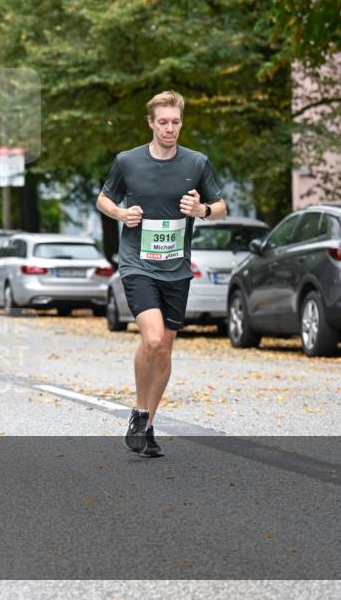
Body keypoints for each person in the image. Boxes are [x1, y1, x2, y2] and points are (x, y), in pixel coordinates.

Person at [96, 90, 226, 458]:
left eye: (176, 122)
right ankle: (139, 411)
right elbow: (103, 199)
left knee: (165, 351)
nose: (170, 129)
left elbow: (221, 207)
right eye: (163, 122)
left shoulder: (197, 162)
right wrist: (121, 214)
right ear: (151, 123)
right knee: (152, 339)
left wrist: (201, 209)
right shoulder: (128, 161)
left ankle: (148, 424)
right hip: (138, 262)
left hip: (176, 268)